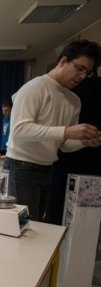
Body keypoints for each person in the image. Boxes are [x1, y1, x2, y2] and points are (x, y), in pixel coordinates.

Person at [4, 39, 101, 222]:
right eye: (79, 68)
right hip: (22, 166)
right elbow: (19, 130)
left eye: (87, 72)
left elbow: (63, 145)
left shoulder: (74, 100)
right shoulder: (36, 87)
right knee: (24, 227)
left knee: (36, 225)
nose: (82, 76)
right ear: (63, 61)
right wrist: (66, 131)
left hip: (48, 168)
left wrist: (83, 141)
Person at [44, 72, 101, 225]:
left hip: (67, 160)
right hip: (76, 157)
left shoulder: (69, 92)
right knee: (87, 220)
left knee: (56, 213)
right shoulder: (67, 92)